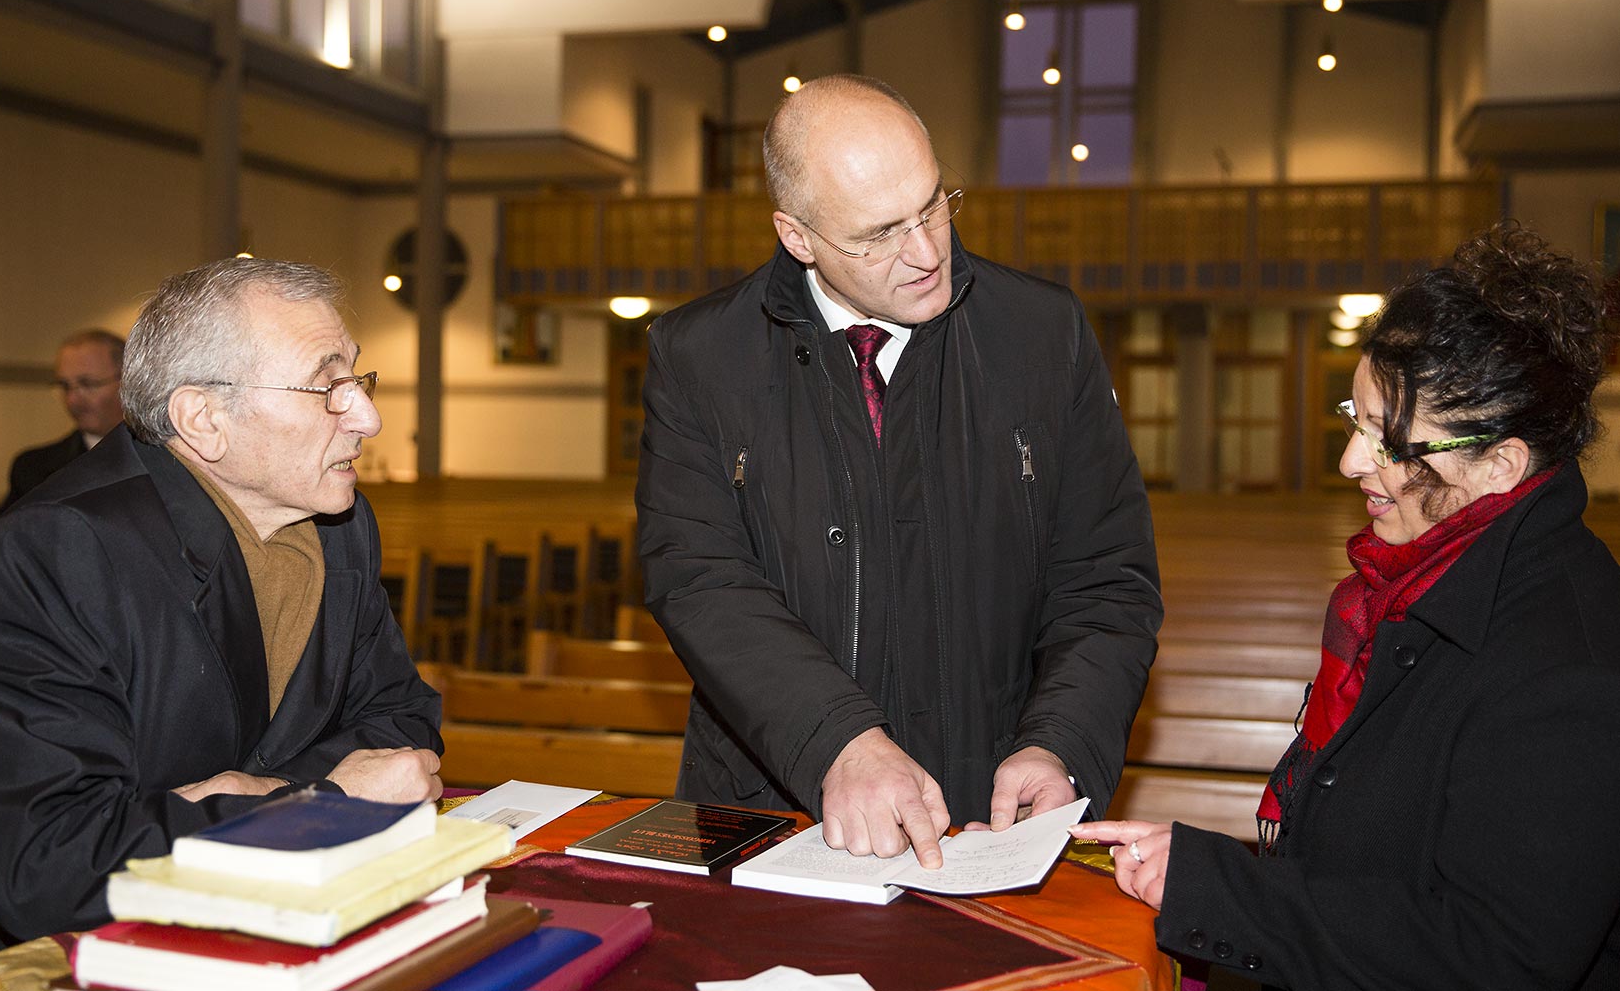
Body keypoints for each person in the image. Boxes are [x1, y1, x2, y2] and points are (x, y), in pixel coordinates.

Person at [637, 74, 1162, 869]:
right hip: (772, 806)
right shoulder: (699, 357)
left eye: (933, 206)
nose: (925, 253)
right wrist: (837, 740)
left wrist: (1059, 744)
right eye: (879, 234)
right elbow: (701, 582)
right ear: (798, 236)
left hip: (987, 816)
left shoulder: (1042, 335)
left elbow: (1104, 581)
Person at [1076, 224, 1620, 989]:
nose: (1350, 461)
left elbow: (1495, 957)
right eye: (1354, 419)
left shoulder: (1570, 670)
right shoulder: (1420, 576)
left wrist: (1218, 888)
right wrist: (1211, 871)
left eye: (1393, 443)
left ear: (1500, 464)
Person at [0, 259, 443, 959]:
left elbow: (402, 723)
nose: (368, 418)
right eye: (328, 387)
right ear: (204, 418)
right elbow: (50, 863)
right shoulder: (57, 552)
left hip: (289, 925)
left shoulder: (339, 525)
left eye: (357, 379)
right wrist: (312, 802)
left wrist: (250, 792)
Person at [4, 329, 126, 508]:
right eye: (64, 385)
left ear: (127, 381)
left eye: (87, 384)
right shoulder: (33, 470)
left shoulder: (167, 457)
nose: (72, 400)